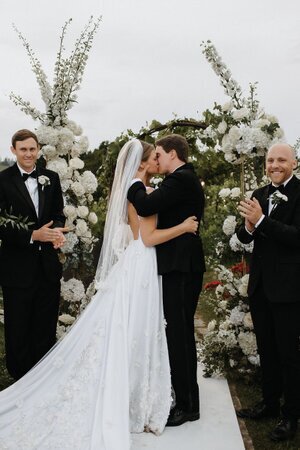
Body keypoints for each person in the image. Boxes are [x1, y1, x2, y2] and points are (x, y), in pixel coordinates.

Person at [0, 139, 199, 449]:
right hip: (142, 264)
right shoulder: (142, 192)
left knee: (131, 329)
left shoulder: (135, 189)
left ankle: (136, 388)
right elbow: (147, 238)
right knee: (138, 329)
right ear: (145, 163)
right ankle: (136, 393)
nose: (159, 162)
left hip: (135, 265)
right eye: (155, 157)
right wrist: (184, 228)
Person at [127, 134, 205, 427]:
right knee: (178, 332)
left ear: (172, 153)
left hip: (181, 268)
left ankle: (187, 405)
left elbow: (145, 206)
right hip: (179, 266)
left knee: (180, 334)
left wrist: (133, 183)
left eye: (159, 153)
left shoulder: (181, 179)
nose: (156, 159)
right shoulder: (181, 180)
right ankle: (187, 398)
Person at [236, 143, 300, 442]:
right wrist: (249, 226)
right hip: (260, 285)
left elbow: (296, 238)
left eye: (281, 160)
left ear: (294, 163)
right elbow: (242, 234)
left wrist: (261, 221)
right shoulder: (259, 194)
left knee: (289, 354)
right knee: (267, 350)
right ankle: (270, 402)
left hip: (289, 288)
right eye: (270, 160)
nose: (274, 165)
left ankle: (291, 416)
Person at [0, 129, 66, 380]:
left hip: (47, 267)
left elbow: (58, 213)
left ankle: (42, 380)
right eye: (23, 149)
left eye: (32, 149)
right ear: (13, 150)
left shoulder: (52, 178)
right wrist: (32, 235)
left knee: (45, 327)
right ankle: (21, 381)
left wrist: (57, 231)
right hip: (17, 269)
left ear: (38, 149)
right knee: (18, 329)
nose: (28, 154)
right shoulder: (3, 181)